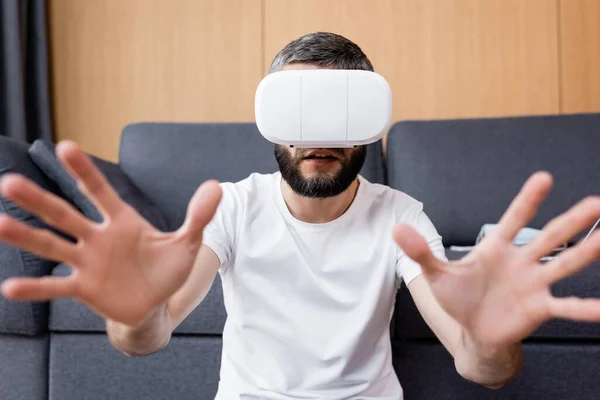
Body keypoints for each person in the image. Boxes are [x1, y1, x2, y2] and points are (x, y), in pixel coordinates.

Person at [0, 32, 599, 400]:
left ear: (367, 124)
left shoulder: (403, 219)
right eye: (300, 110)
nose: (318, 134)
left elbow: (482, 367)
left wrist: (494, 343)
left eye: (338, 111)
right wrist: (130, 315)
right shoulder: (235, 206)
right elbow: (146, 337)